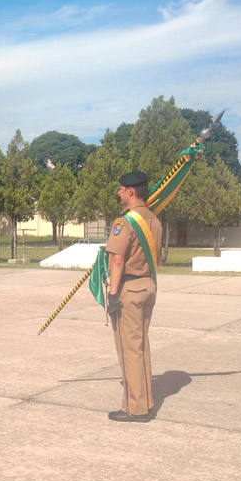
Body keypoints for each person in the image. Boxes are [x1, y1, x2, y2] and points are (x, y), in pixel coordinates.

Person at [104, 171, 163, 423]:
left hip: (129, 289)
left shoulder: (125, 222)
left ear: (130, 191)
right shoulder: (154, 220)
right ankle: (145, 401)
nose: (118, 192)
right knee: (141, 347)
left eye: (120, 189)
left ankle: (134, 408)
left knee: (129, 350)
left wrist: (113, 295)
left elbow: (117, 260)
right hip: (148, 286)